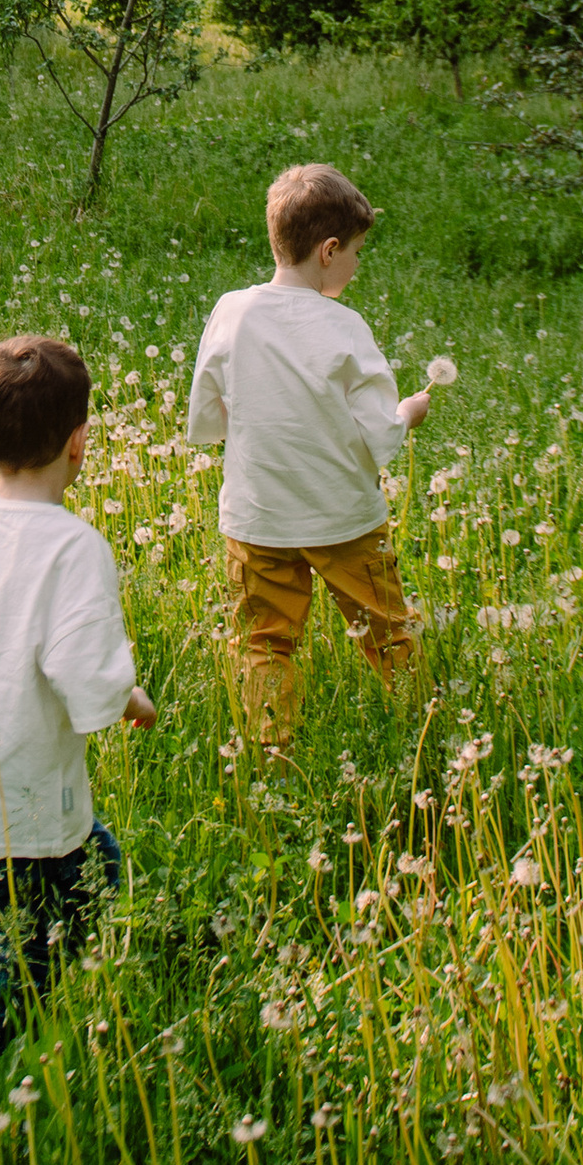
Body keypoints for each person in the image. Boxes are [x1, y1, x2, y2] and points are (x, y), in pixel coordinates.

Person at [0, 332, 157, 1050]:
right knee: (25, 940)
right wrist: (128, 698)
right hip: (21, 792)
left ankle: (42, 1005)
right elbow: (85, 676)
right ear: (80, 444)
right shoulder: (74, 549)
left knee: (74, 875)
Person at [185, 161, 434, 747]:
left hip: (258, 517)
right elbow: (381, 436)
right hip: (344, 517)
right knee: (389, 632)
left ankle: (273, 755)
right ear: (328, 251)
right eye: (355, 252)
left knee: (264, 642)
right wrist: (409, 413)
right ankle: (429, 740)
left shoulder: (232, 311)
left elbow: (205, 417)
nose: (355, 264)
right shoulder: (346, 328)